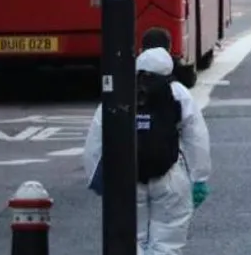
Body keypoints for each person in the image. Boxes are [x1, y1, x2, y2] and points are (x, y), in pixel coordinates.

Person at [83, 47, 212, 255]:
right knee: (168, 242)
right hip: (168, 175)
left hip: (127, 180)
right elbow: (196, 137)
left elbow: (96, 138)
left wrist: (97, 179)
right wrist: (199, 178)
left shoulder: (120, 91)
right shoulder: (177, 92)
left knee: (131, 240)